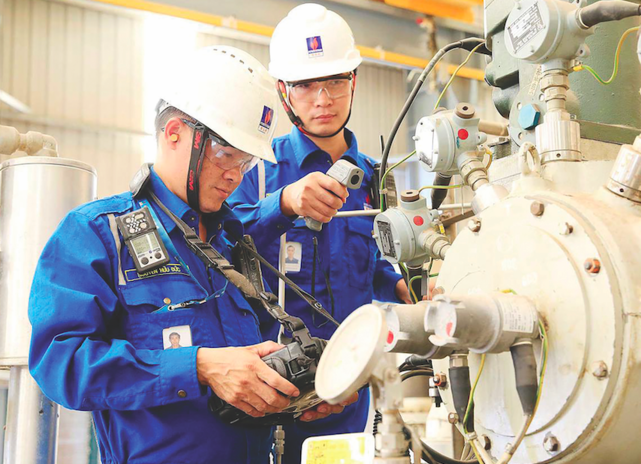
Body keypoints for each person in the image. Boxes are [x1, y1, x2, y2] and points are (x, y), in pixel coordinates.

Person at [28, 46, 353, 464]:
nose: (235, 175)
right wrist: (198, 366)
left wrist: (297, 397)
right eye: (226, 155)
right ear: (175, 133)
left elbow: (244, 376)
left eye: (246, 161)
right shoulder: (96, 233)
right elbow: (60, 362)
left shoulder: (233, 243)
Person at [228, 5, 411, 463]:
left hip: (349, 387)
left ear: (354, 81)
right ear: (284, 92)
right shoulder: (258, 169)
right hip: (271, 388)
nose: (323, 99)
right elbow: (218, 246)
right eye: (306, 85)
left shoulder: (376, 179)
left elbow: (373, 267)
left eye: (334, 81)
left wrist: (399, 285)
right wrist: (282, 204)